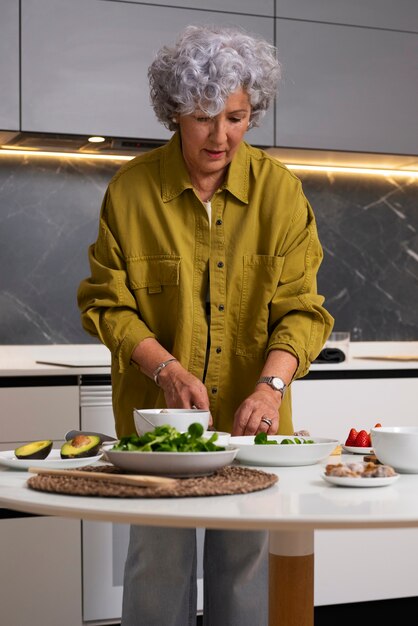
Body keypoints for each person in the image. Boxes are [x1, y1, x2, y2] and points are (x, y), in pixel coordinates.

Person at [78, 24, 334, 626]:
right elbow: (106, 304)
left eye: (237, 118)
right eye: (202, 117)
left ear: (253, 114)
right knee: (157, 563)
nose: (221, 136)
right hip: (159, 428)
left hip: (255, 425)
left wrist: (270, 389)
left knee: (245, 568)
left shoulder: (283, 195)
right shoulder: (131, 190)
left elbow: (302, 309)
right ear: (174, 113)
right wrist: (164, 368)